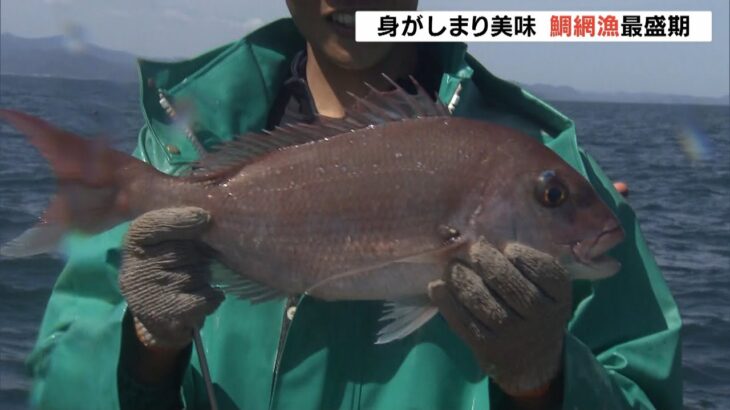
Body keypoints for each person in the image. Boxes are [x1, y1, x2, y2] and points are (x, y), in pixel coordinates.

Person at [26, 2, 682, 409]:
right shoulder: (174, 153)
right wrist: (144, 352)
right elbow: (57, 385)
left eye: (553, 199)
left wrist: (544, 382)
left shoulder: (556, 169)